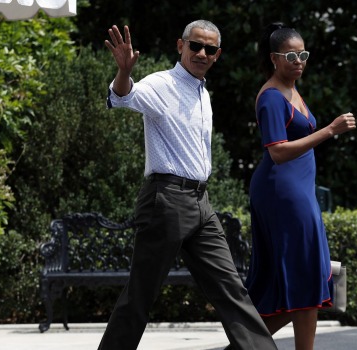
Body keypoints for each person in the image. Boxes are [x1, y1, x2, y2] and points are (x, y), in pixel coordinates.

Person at [97, 20, 278, 350]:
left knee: (232, 289)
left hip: (200, 204)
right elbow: (123, 97)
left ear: (217, 55)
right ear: (180, 46)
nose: (201, 53)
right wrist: (123, 72)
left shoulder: (203, 93)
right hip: (165, 200)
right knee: (141, 295)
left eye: (209, 49)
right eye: (195, 45)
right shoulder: (161, 84)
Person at [245, 23, 356, 350]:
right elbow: (277, 151)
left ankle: (244, 344)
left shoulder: (291, 88)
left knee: (308, 283)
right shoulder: (271, 98)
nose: (298, 61)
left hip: (299, 192)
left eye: (303, 54)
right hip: (283, 195)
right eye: (290, 55)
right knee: (305, 280)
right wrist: (330, 130)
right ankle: (243, 344)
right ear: (274, 58)